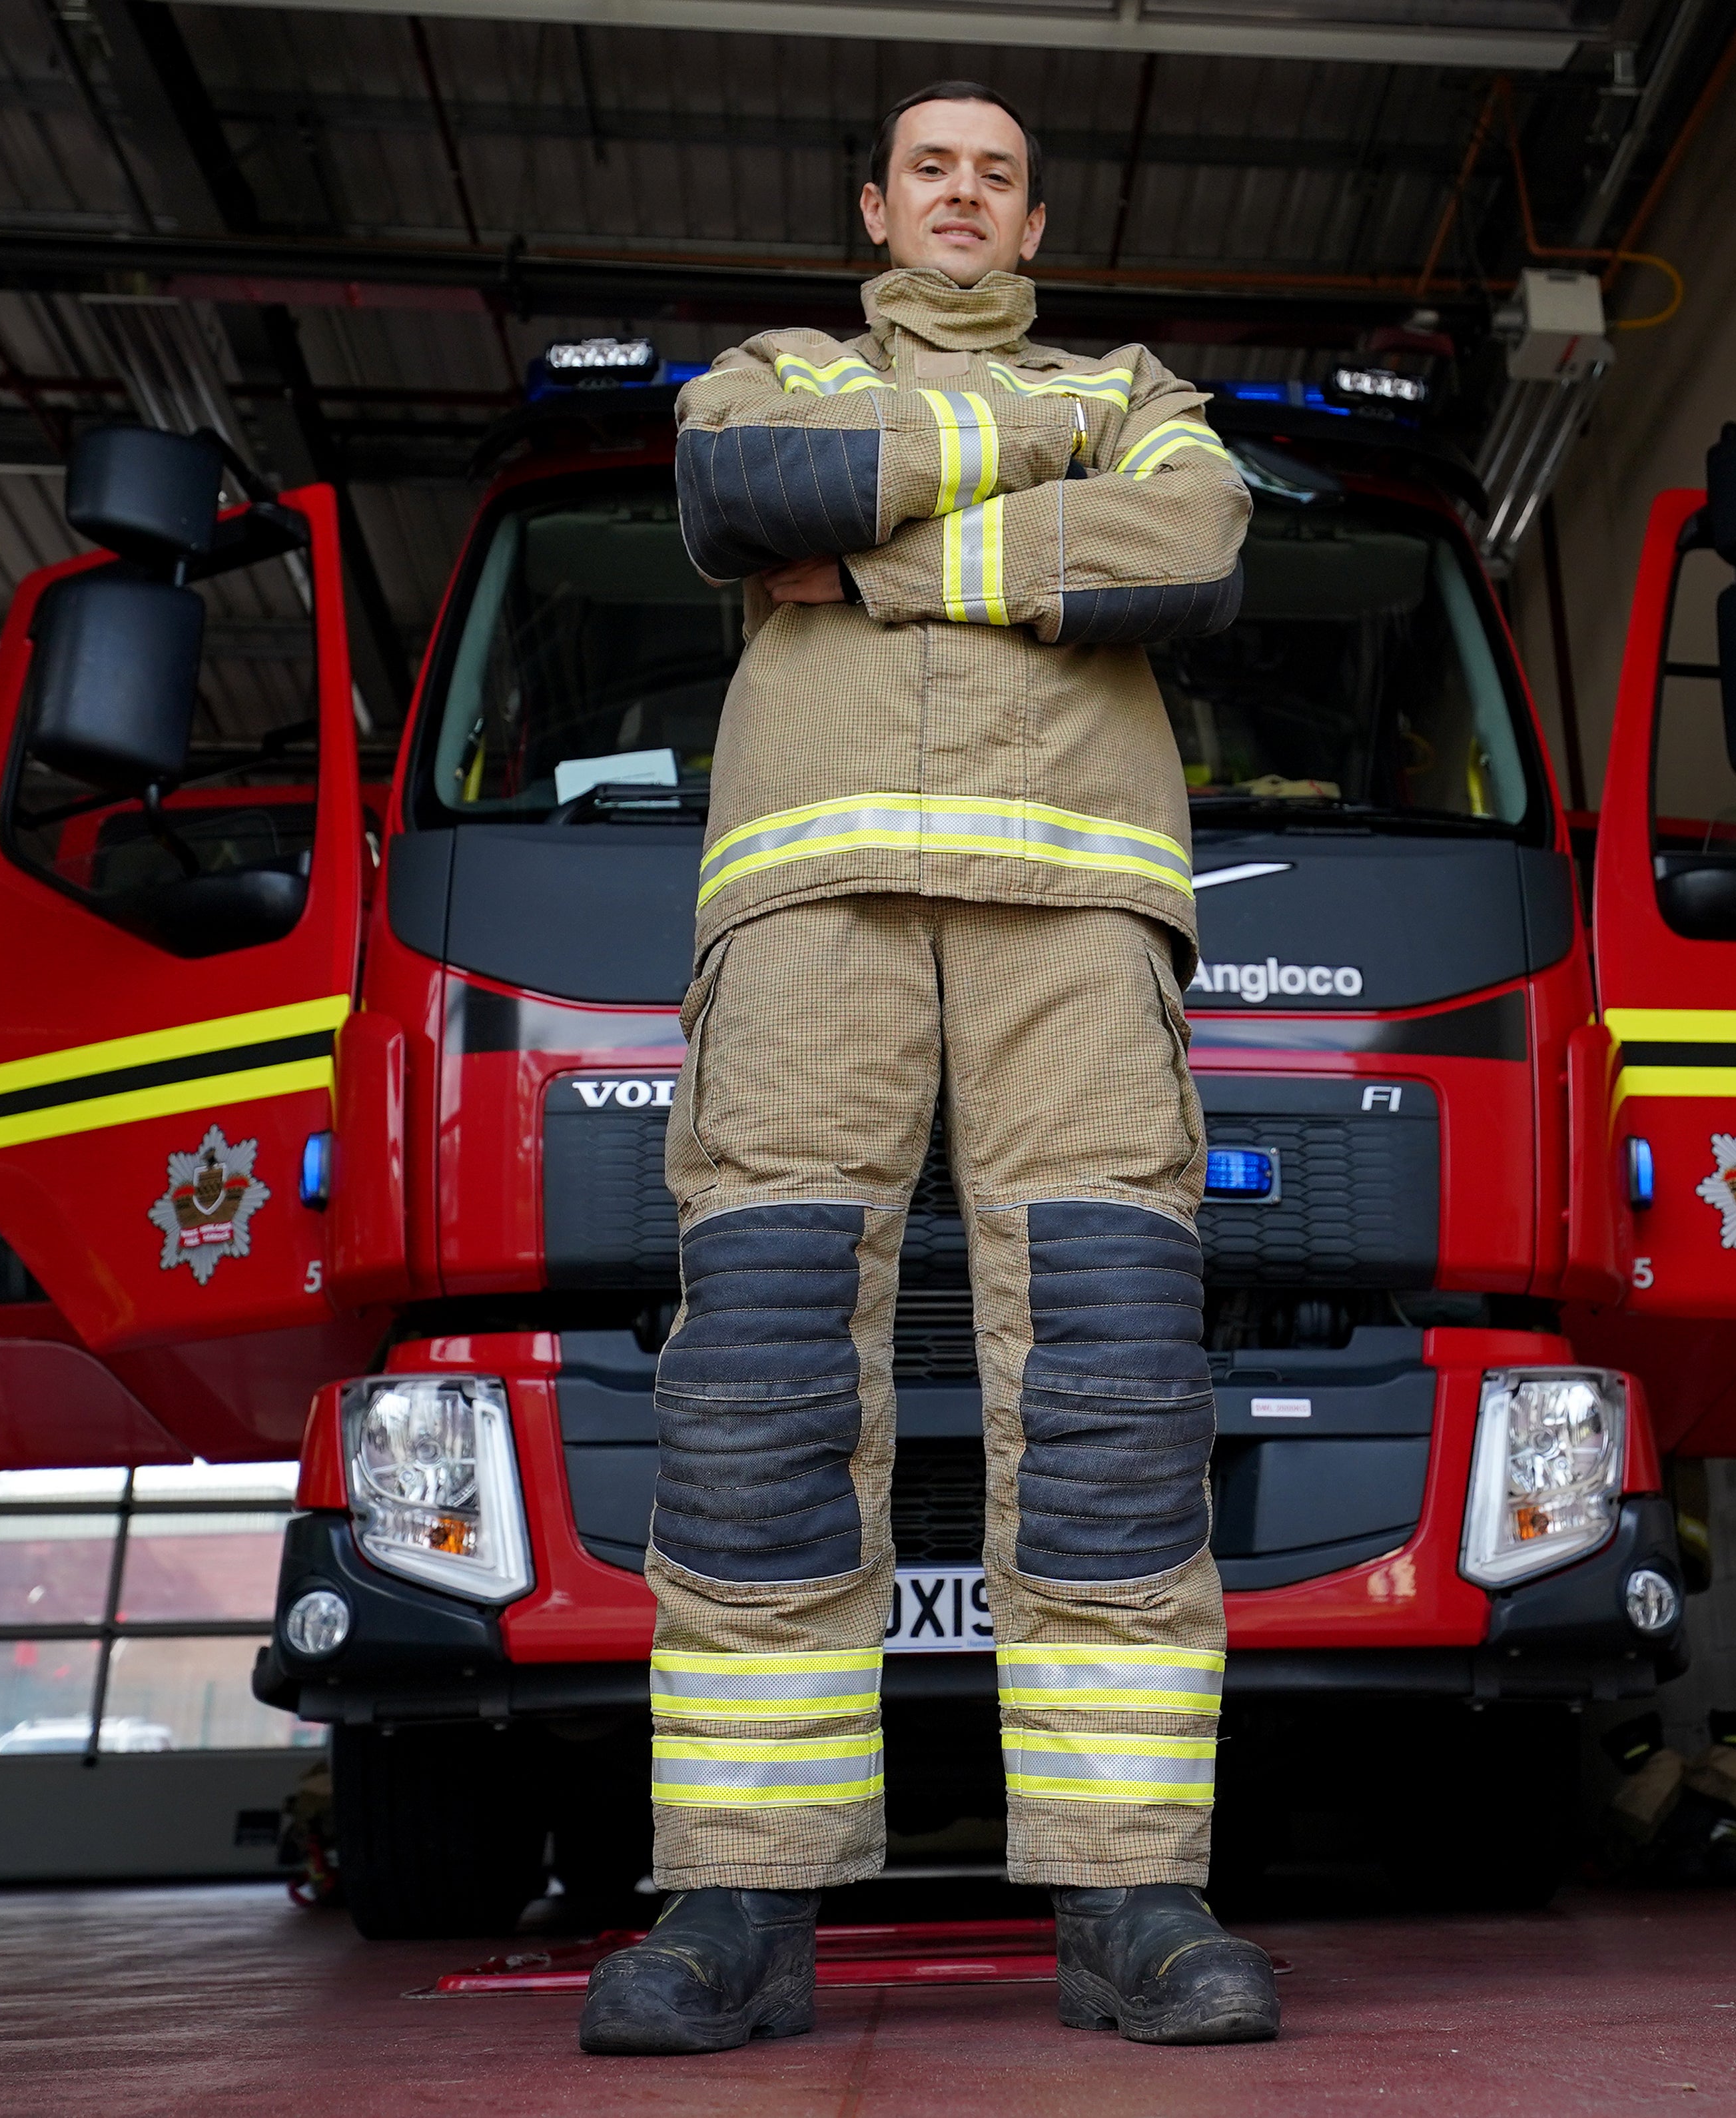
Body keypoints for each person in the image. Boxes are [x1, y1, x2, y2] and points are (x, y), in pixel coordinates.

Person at [576, 79, 1275, 2057]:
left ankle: (1133, 1892)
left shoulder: (1139, 387)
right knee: (763, 1381)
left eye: (999, 177)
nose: (964, 198)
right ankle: (738, 1897)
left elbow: (1201, 536)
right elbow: (742, 499)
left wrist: (878, 555)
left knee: (1118, 1382)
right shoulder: (769, 372)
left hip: (1080, 911)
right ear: (875, 204)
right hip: (809, 917)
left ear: (1033, 226)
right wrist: (1028, 459)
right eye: (931, 170)